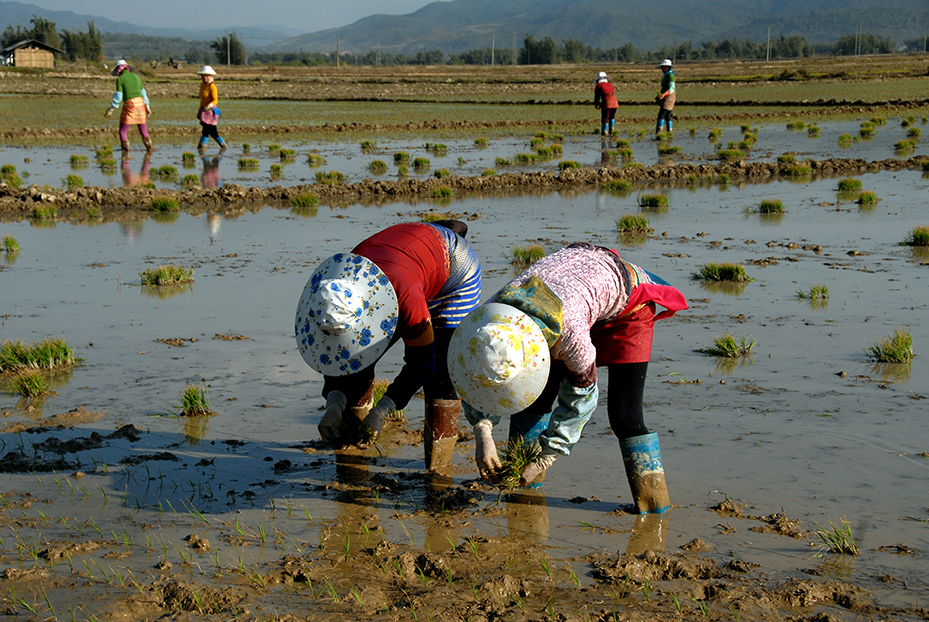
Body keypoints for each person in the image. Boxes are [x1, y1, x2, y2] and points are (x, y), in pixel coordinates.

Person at [447, 243, 688, 514]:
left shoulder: (570, 338)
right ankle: (525, 500)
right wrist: (483, 432)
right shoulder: (491, 319)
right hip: (569, 294)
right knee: (531, 402)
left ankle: (654, 510)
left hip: (625, 306)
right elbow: (479, 378)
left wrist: (547, 457)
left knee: (625, 417)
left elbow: (580, 401)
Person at [295, 220, 482, 470]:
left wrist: (382, 411)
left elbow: (422, 363)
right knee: (359, 355)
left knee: (439, 374)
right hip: (404, 254)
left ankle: (437, 473)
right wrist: (334, 400)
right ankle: (353, 457)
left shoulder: (406, 299)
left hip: (453, 270)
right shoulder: (331, 289)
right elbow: (337, 351)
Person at [104, 59, 153, 153]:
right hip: (140, 104)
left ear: (119, 70)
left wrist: (112, 108)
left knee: (122, 131)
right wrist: (147, 107)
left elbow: (119, 96)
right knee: (143, 131)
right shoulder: (137, 77)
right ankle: (150, 149)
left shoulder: (120, 79)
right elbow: (143, 93)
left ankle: (125, 152)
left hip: (130, 104)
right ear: (127, 68)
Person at [196, 65, 226, 152]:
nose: (204, 77)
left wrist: (209, 105)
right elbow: (202, 99)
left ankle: (201, 148)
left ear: (210, 76)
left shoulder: (212, 87)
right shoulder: (202, 85)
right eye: (203, 75)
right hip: (203, 110)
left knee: (205, 131)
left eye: (206, 75)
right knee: (213, 133)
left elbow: (215, 99)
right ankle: (224, 147)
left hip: (210, 112)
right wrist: (199, 110)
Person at [593, 71, 619, 137]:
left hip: (607, 102)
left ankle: (604, 132)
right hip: (615, 102)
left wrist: (597, 104)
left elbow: (597, 96)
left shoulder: (598, 86)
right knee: (612, 117)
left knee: (605, 118)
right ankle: (612, 131)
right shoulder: (611, 85)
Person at [655, 59, 676, 137]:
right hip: (665, 94)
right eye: (662, 67)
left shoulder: (670, 76)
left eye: (664, 67)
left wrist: (664, 94)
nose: (662, 69)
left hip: (669, 96)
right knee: (668, 115)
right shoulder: (665, 75)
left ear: (668, 67)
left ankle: (659, 133)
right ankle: (669, 133)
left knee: (661, 114)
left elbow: (672, 88)